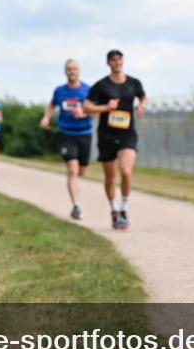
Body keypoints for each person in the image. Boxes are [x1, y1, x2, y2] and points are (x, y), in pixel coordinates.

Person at [84, 50, 147, 230]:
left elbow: (143, 96)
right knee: (110, 177)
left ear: (123, 61)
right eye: (113, 60)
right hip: (107, 136)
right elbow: (87, 107)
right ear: (108, 63)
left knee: (126, 171)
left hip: (127, 134)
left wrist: (142, 106)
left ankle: (124, 208)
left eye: (120, 59)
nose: (117, 62)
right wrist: (106, 107)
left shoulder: (134, 83)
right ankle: (114, 209)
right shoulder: (101, 85)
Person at [41, 59, 94, 220]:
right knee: (72, 169)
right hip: (66, 133)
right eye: (69, 69)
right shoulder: (60, 91)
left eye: (75, 69)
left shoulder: (88, 90)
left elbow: (98, 111)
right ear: (65, 71)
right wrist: (46, 117)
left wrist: (84, 114)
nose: (72, 71)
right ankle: (76, 206)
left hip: (85, 133)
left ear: (79, 71)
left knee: (81, 171)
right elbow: (52, 105)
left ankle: (74, 185)